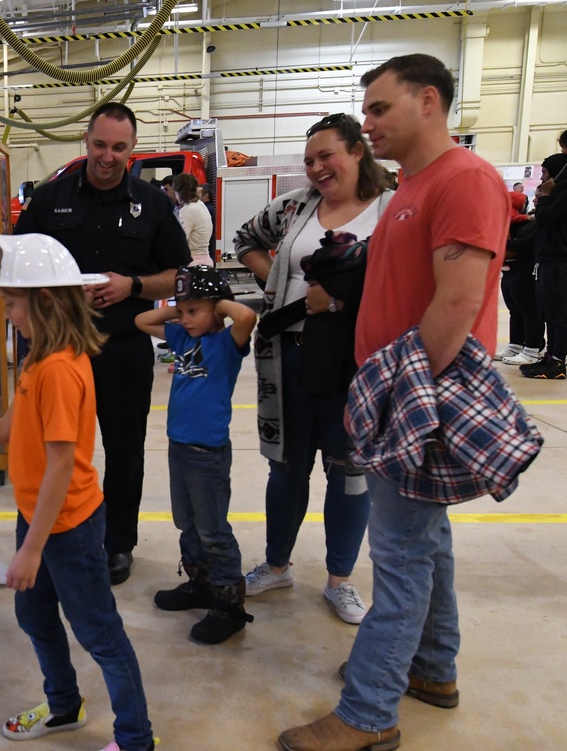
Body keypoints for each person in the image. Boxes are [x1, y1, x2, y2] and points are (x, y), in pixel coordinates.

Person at [278, 54, 511, 751]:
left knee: (401, 554)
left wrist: (398, 403)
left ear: (429, 102)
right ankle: (432, 668)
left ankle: (369, 711)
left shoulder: (465, 180)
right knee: (424, 543)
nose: (368, 122)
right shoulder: (415, 185)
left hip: (417, 399)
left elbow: (458, 304)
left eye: (379, 109)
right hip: (398, 391)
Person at [0, 234, 156, 751]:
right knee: (34, 615)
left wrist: (32, 549)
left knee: (101, 634)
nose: (6, 313)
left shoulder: (59, 370)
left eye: (11, 303)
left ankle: (136, 740)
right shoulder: (42, 357)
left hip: (68, 527)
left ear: (43, 301)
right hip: (39, 517)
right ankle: (64, 706)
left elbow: (62, 463)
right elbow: (10, 429)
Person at [14, 102, 191, 585]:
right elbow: (19, 264)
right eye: (99, 144)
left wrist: (131, 285)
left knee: (124, 449)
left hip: (123, 349)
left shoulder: (153, 205)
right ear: (86, 141)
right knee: (53, 449)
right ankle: (55, 534)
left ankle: (118, 545)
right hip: (59, 350)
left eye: (118, 147)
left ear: (132, 150)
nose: (107, 156)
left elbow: (179, 276)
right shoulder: (50, 199)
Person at [233, 113, 397, 625]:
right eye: (309, 161)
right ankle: (277, 564)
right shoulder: (296, 206)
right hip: (290, 355)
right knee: (287, 465)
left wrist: (343, 302)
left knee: (350, 470)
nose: (317, 168)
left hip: (357, 361)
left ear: (356, 151)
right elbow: (245, 238)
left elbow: (406, 279)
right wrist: (282, 284)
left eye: (327, 155)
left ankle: (340, 579)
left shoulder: (391, 210)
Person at [135, 265, 257, 644]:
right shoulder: (181, 338)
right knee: (186, 521)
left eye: (194, 312)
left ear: (217, 311)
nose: (185, 319)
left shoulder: (226, 345)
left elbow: (248, 315)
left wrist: (217, 305)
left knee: (213, 530)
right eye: (182, 311)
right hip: (179, 447)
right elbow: (142, 319)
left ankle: (227, 604)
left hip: (208, 454)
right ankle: (200, 582)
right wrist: (183, 308)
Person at [520, 152, 567, 379]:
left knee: (558, 314)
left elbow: (547, 218)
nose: (542, 180)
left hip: (559, 261)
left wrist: (545, 199)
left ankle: (558, 360)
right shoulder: (555, 193)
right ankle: (550, 355)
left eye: (546, 173)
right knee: (548, 312)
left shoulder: (562, 194)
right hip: (548, 258)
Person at [497, 190, 544, 365]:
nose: (534, 199)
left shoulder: (535, 223)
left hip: (527, 270)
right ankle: (515, 345)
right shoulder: (515, 222)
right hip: (511, 270)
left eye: (538, 197)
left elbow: (524, 243)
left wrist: (503, 243)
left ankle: (532, 349)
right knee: (514, 310)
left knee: (530, 311)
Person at [173, 173, 214, 267]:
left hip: (192, 264)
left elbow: (180, 241)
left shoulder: (187, 210)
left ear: (179, 191)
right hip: (206, 260)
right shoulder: (201, 205)